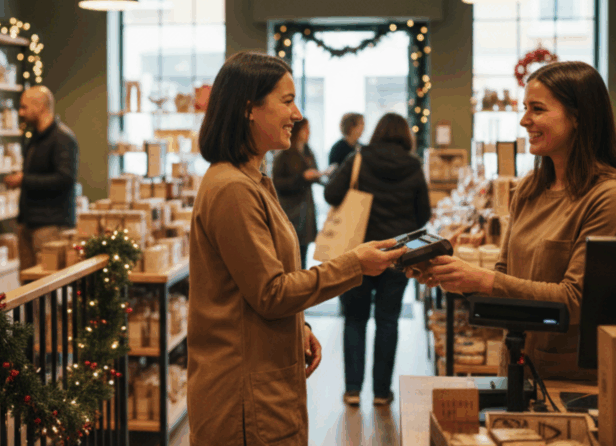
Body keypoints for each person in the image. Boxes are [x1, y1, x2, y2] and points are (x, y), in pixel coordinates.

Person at [187, 51, 405, 446]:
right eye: (287, 101)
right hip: (244, 399)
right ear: (248, 108)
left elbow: (252, 286)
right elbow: (271, 293)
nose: (298, 113)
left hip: (260, 387)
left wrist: (297, 327)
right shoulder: (233, 188)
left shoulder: (251, 179)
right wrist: (354, 264)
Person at [418, 61, 616, 381]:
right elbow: (503, 274)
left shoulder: (605, 198)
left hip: (570, 381)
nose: (525, 121)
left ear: (579, 116)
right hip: (515, 366)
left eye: (537, 109)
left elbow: (575, 301)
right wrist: (459, 279)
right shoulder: (528, 189)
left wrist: (480, 280)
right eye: (525, 108)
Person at [324, 112, 431, 406]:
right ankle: (382, 393)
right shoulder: (413, 165)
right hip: (397, 254)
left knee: (355, 319)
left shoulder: (359, 158)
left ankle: (353, 390)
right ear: (406, 136)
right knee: (388, 321)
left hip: (359, 251)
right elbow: (423, 214)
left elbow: (331, 194)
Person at [5, 86, 79, 270]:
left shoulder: (63, 138)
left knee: (47, 283)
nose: (21, 113)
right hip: (28, 222)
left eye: (24, 107)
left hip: (50, 224)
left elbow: (65, 179)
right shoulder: (35, 139)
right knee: (28, 284)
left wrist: (24, 180)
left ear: (40, 107)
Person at [272, 118, 331, 269]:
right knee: (289, 255)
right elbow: (277, 183)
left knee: (303, 255)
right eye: (306, 129)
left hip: (306, 209)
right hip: (290, 209)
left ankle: (301, 287)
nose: (309, 132)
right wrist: (302, 177)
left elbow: (314, 174)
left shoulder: (307, 150)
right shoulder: (284, 153)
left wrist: (323, 175)